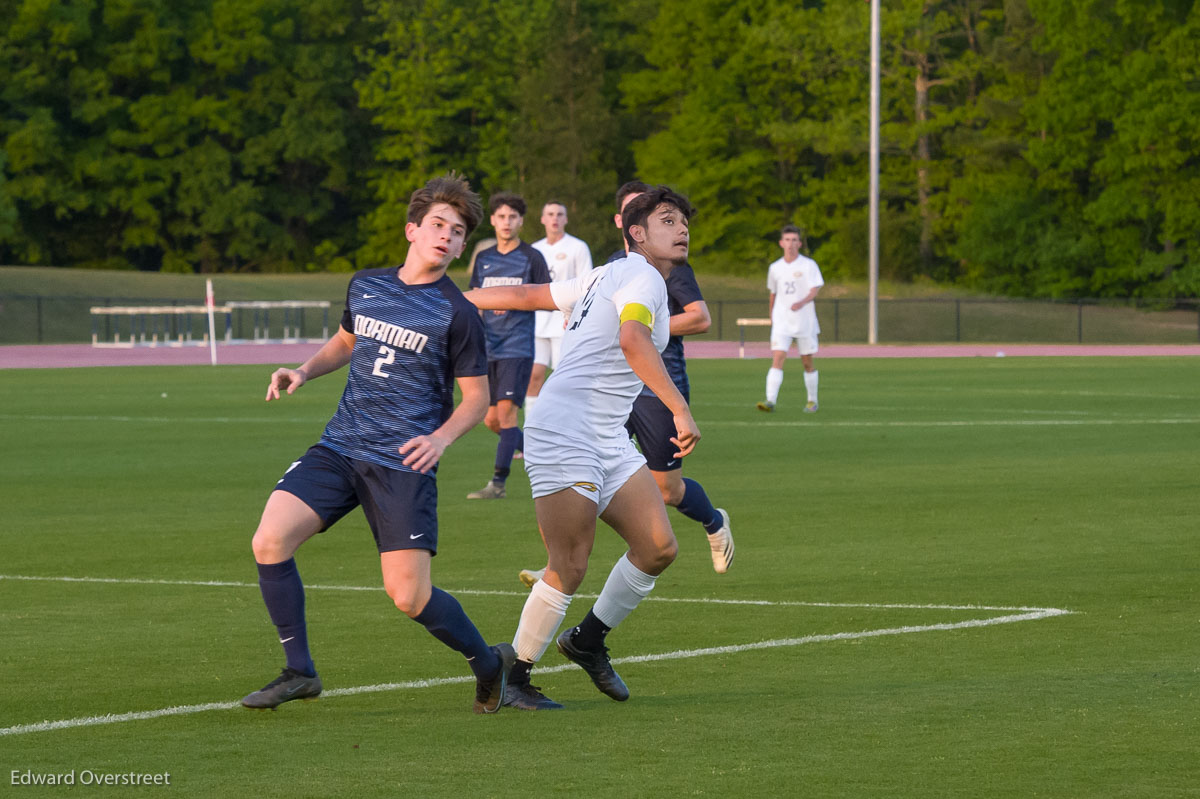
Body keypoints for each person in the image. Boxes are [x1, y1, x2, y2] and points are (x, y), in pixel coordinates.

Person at [240, 174, 515, 715]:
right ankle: (299, 671)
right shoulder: (366, 284)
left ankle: (488, 664)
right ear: (412, 229)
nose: (447, 235)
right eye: (437, 224)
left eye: (457, 232)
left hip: (402, 464)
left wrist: (440, 439)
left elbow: (477, 399)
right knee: (269, 541)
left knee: (409, 597)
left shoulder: (456, 312)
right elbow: (348, 340)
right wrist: (303, 370)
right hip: (341, 446)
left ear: (461, 248)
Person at [464, 185, 701, 711]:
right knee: (569, 563)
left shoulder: (607, 274)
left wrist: (460, 299)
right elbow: (633, 340)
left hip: (605, 434)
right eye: (668, 220)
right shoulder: (641, 276)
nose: (681, 228)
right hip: (564, 428)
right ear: (636, 232)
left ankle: (587, 641)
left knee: (658, 547)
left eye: (684, 220)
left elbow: (531, 297)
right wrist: (680, 408)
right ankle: (515, 675)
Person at [517, 181, 732, 588]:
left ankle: (714, 519)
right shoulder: (614, 265)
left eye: (673, 218)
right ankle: (558, 566)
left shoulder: (666, 268)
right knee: (590, 466)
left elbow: (700, 318)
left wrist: (645, 325)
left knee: (665, 488)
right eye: (640, 211)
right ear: (624, 222)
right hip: (608, 388)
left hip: (655, 386)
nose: (675, 227)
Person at [465, 193, 551, 499]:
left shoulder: (531, 258)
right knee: (489, 420)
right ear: (492, 220)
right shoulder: (484, 259)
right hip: (487, 348)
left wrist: (512, 303)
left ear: (521, 222)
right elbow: (474, 298)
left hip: (517, 347)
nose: (506, 222)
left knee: (506, 417)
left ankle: (497, 484)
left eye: (512, 217)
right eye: (501, 217)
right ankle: (542, 455)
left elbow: (546, 298)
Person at [526, 201, 593, 415]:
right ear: (543, 219)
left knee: (562, 380)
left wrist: (577, 315)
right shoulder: (534, 249)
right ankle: (531, 436)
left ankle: (562, 431)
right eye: (550, 214)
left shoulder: (578, 247)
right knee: (533, 376)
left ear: (566, 219)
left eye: (559, 214)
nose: (555, 218)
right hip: (537, 323)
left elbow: (586, 285)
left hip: (564, 323)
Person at [757, 224, 823, 413]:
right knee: (778, 357)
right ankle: (770, 400)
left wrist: (801, 302)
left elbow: (815, 289)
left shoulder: (808, 265)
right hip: (782, 321)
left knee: (807, 361)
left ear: (800, 243)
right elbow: (773, 293)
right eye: (787, 240)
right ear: (781, 243)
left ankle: (812, 400)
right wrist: (772, 315)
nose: (791, 244)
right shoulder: (775, 268)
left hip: (805, 321)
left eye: (794, 240)